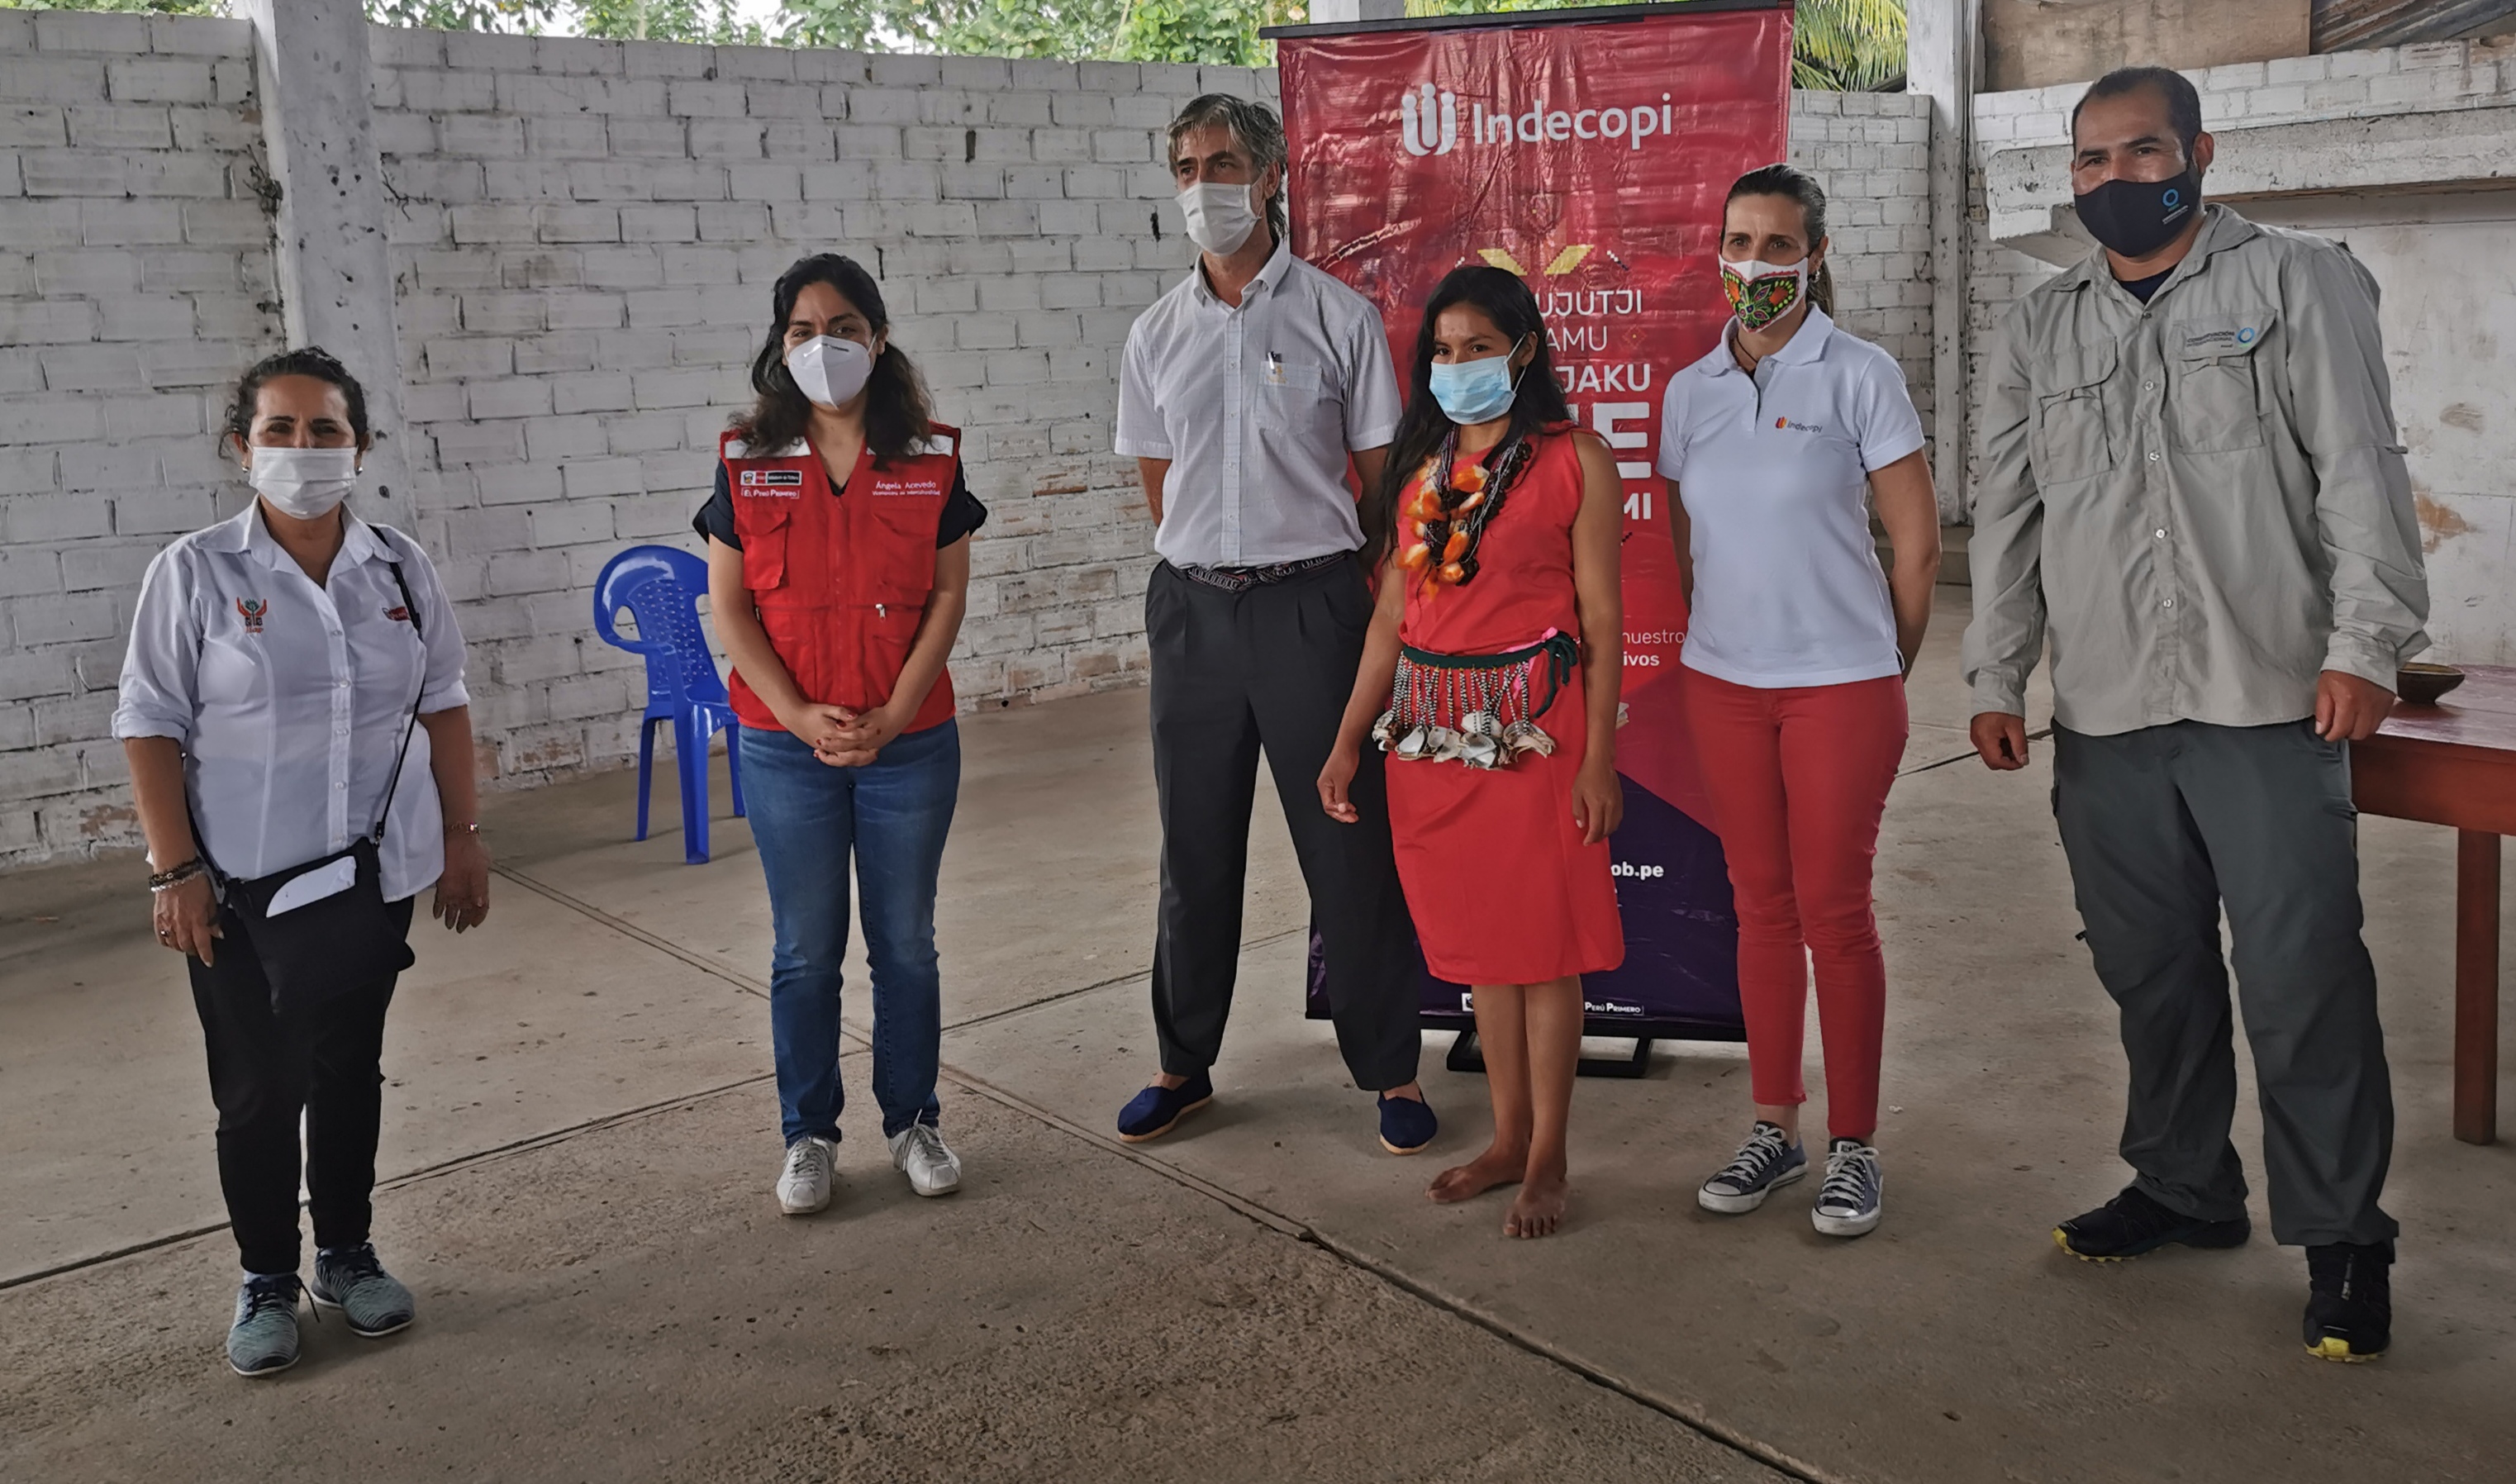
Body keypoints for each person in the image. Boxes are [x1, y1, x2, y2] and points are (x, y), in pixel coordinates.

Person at [1963, 67, 2428, 1360]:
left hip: (2266, 698)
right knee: (2150, 977)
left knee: (2300, 980)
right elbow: (2008, 518)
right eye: (2092, 161)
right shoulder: (2041, 326)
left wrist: (2367, 645)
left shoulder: (2293, 281)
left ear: (2199, 152)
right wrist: (1997, 674)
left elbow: (2359, 468)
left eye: (2143, 151)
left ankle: (2342, 1238)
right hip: (2107, 713)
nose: (2118, 180)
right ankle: (2184, 1187)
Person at [114, 348, 488, 1377]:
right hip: (236, 887)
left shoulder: (401, 567)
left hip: (368, 877)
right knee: (257, 1087)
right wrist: (171, 867)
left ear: (359, 447)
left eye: (325, 429)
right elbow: (148, 722)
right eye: (279, 429)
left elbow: (445, 699)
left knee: (347, 1067)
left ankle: (347, 1252)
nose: (304, 449)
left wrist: (461, 836)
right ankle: (268, 1274)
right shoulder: (195, 572)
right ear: (243, 448)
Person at [1113, 93, 1433, 1154]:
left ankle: (1389, 1068)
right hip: (1194, 612)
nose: (1206, 185)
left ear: (1272, 176)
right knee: (1192, 848)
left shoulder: (1339, 318)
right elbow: (1163, 489)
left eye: (1225, 163)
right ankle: (1182, 1063)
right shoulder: (1154, 335)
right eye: (1187, 166)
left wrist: (1333, 589)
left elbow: (1382, 483)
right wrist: (1211, 572)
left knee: (1348, 844)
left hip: (1315, 607)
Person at [1656, 164, 1940, 1239]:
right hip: (1725, 685)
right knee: (1760, 911)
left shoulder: (1858, 375)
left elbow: (1915, 548)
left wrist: (1881, 668)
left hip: (1841, 689)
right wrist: (1729, 643)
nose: (1757, 265)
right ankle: (1774, 1127)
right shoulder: (1689, 394)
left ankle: (1855, 1148)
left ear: (1816, 257)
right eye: (1739, 243)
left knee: (1834, 913)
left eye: (1780, 247)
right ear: (1716, 252)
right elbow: (1690, 554)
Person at [1320, 267, 1624, 1237]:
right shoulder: (1420, 472)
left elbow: (1607, 622)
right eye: (1442, 352)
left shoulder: (1577, 459)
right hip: (1427, 740)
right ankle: (1503, 1137)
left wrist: (1598, 758)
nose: (1457, 367)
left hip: (1536, 736)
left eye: (1478, 348)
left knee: (1544, 950)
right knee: (1486, 958)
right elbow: (1387, 625)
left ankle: (1548, 1155)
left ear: (1523, 349)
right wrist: (1342, 744)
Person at [696, 253, 986, 1216]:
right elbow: (729, 609)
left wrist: (897, 711)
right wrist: (793, 712)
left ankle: (913, 1120)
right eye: (803, 331)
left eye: (845, 328)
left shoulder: (932, 454)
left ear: (880, 338)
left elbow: (947, 592)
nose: (826, 347)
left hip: (910, 742)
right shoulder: (745, 459)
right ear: (780, 349)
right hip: (785, 747)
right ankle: (809, 1134)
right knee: (804, 952)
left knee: (905, 944)